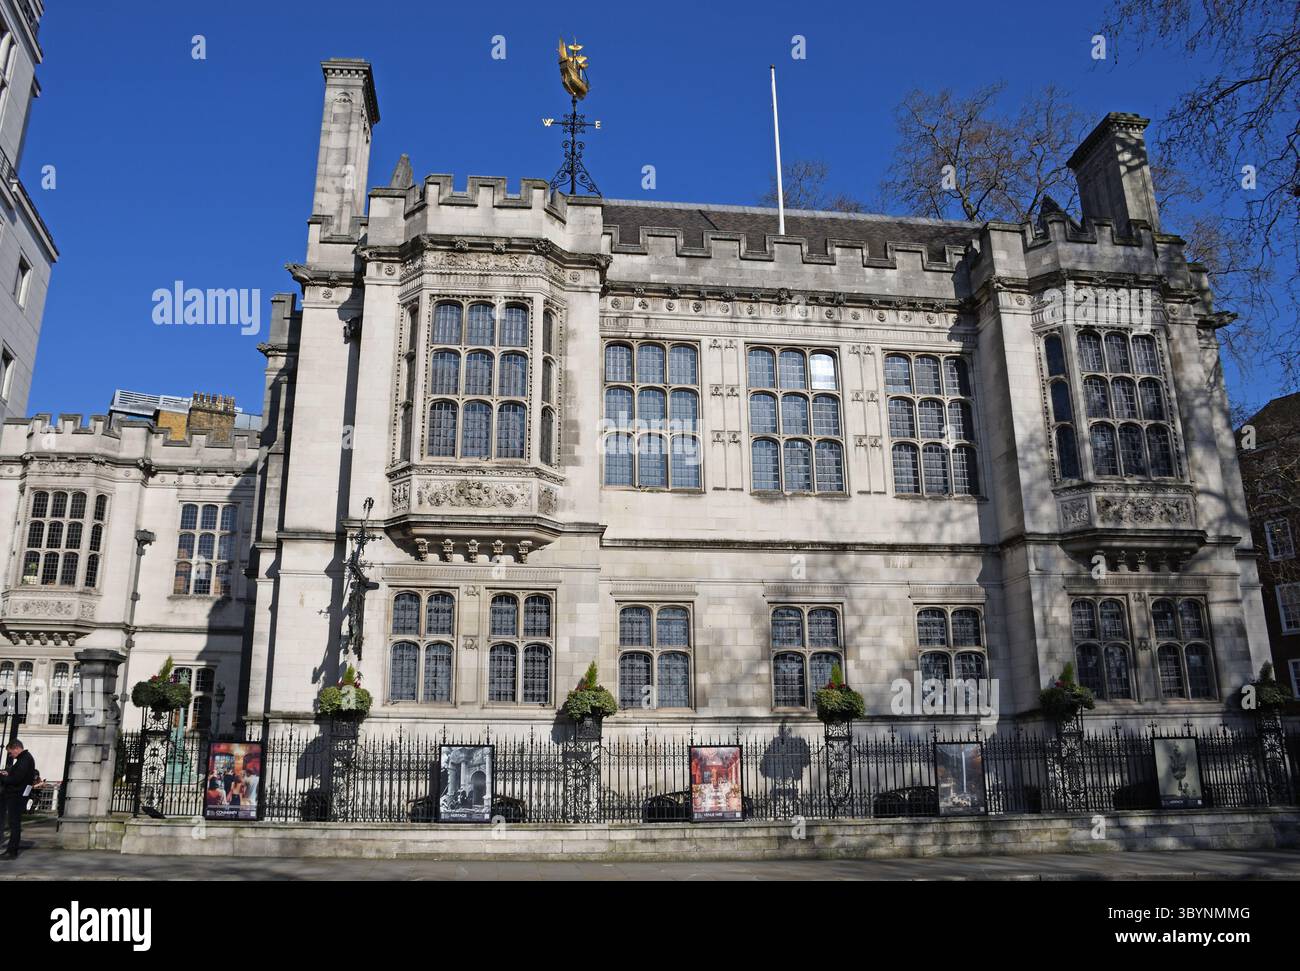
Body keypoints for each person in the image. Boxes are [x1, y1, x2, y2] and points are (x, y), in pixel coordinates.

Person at [0, 739, 38, 859]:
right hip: (19, 794)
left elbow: (16, 779)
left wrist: (2, 778)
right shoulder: (25, 759)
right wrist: (8, 774)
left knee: (14, 824)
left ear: (16, 748)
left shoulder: (24, 760)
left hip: (16, 795)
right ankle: (11, 850)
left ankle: (12, 851)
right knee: (14, 824)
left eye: (11, 752)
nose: (11, 755)